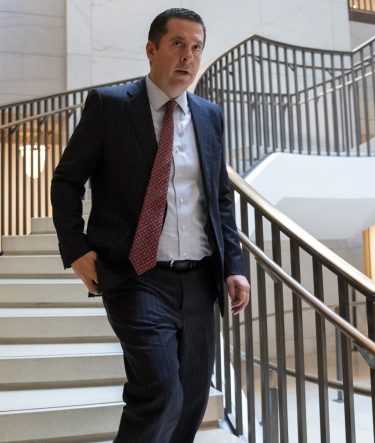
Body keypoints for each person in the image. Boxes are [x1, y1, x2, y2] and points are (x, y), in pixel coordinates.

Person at [50, 8, 250, 442]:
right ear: (151, 49)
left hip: (199, 280)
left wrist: (234, 264)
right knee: (158, 389)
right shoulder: (109, 107)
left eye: (196, 48)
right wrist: (76, 249)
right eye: (178, 44)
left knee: (193, 397)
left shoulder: (209, 115)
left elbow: (219, 198)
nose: (188, 57)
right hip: (136, 275)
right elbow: (67, 180)